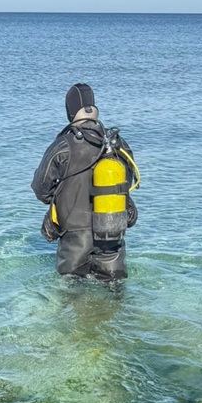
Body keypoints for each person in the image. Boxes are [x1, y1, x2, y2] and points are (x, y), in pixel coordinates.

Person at [31, 82, 139, 282]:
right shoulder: (116, 143)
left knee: (71, 298)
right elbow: (127, 183)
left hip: (75, 241)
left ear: (70, 112)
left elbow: (41, 189)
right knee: (115, 298)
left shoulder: (63, 145)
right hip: (112, 233)